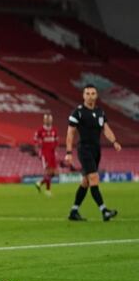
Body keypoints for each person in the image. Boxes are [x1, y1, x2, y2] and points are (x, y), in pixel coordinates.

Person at [66, 84, 121, 221]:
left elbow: (106, 129)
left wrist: (114, 141)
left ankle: (74, 211)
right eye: (87, 93)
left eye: (93, 93)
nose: (90, 96)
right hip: (84, 149)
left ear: (96, 96)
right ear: (83, 96)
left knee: (85, 181)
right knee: (94, 178)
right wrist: (68, 152)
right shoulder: (78, 112)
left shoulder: (100, 112)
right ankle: (104, 211)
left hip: (96, 150)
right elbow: (70, 133)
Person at [33, 113, 58, 196]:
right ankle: (47, 190)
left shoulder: (54, 130)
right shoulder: (40, 130)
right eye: (47, 119)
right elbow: (35, 139)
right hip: (45, 153)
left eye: (49, 119)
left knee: (54, 173)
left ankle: (39, 183)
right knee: (48, 171)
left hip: (52, 153)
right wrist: (37, 145)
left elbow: (56, 140)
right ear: (44, 120)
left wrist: (55, 147)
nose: (48, 120)